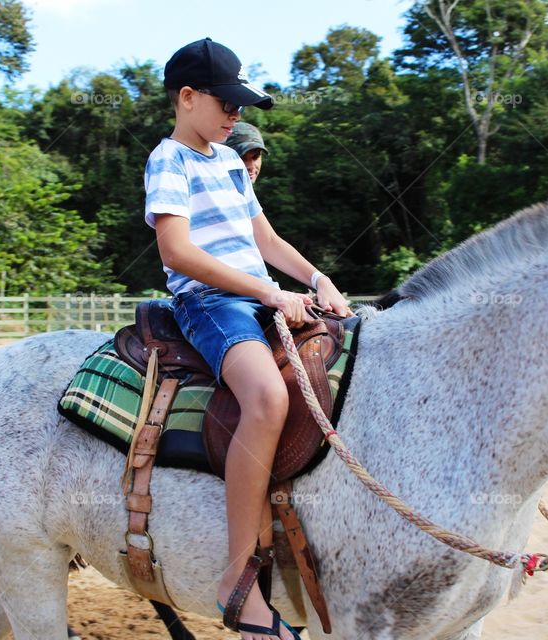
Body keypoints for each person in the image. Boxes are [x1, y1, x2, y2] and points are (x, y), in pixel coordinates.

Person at [144, 38, 351, 640]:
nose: (236, 115)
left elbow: (265, 239)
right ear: (187, 98)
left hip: (259, 294)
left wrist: (316, 278)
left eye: (240, 104)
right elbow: (177, 251)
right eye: (226, 102)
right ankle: (238, 583)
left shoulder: (231, 163)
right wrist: (266, 294)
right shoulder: (170, 160)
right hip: (209, 302)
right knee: (265, 398)